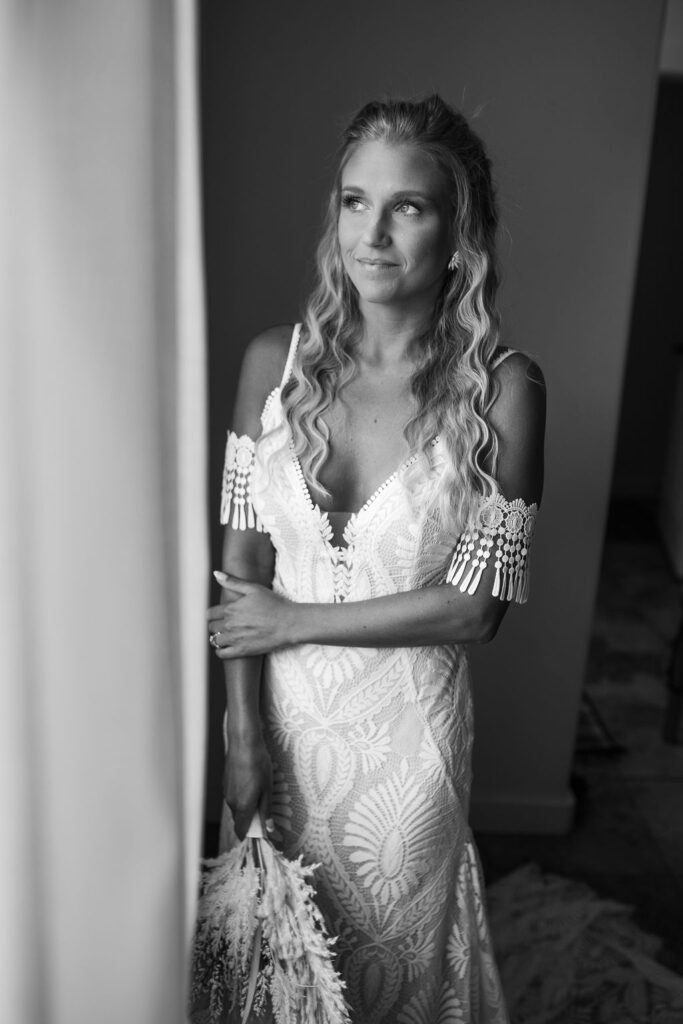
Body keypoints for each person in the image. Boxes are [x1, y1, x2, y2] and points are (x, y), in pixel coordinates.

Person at [207, 94, 545, 1023]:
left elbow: (475, 609)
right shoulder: (271, 365)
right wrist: (241, 733)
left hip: (409, 748)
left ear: (458, 232)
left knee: (390, 979)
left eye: (408, 206)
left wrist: (295, 621)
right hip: (280, 722)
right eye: (356, 202)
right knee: (272, 973)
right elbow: (242, 558)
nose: (374, 232)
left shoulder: (504, 390)